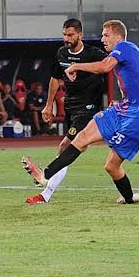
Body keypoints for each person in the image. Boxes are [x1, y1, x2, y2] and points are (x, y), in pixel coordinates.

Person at [21, 20, 139, 207]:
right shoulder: (136, 55)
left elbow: (104, 67)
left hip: (138, 117)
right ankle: (45, 175)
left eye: (106, 35)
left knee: (111, 165)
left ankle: (127, 198)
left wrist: (76, 66)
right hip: (123, 109)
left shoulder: (124, 47)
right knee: (85, 139)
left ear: (118, 37)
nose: (102, 39)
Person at [24, 18, 107, 204]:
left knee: (65, 147)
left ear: (80, 35)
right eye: (64, 35)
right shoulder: (61, 53)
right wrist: (48, 105)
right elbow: (55, 79)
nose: (67, 39)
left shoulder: (94, 53)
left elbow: (110, 65)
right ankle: (128, 194)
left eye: (70, 35)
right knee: (74, 150)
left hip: (88, 108)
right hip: (71, 106)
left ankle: (45, 182)